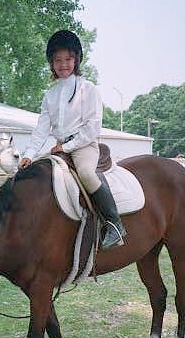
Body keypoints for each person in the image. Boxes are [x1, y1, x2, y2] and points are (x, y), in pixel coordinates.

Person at [18, 30, 126, 249]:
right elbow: (41, 129)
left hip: (83, 145)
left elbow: (92, 128)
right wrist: (29, 155)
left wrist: (66, 146)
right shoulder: (50, 95)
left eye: (68, 59)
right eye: (57, 60)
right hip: (59, 148)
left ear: (76, 60)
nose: (63, 64)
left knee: (86, 173)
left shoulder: (88, 89)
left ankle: (115, 225)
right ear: (51, 63)